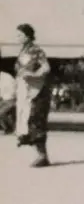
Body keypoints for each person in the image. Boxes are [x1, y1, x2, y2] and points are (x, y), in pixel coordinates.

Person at [15, 23, 52, 167]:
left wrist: (32, 74)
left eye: (20, 35)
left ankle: (42, 156)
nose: (17, 38)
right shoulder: (23, 51)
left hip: (38, 91)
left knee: (36, 121)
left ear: (27, 36)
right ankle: (41, 155)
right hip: (27, 90)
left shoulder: (36, 50)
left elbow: (46, 68)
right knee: (29, 120)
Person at [0, 51, 16, 134]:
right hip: (5, 100)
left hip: (10, 100)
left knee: (1, 113)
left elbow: (13, 90)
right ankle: (8, 127)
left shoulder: (6, 77)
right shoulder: (6, 76)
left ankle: (11, 127)